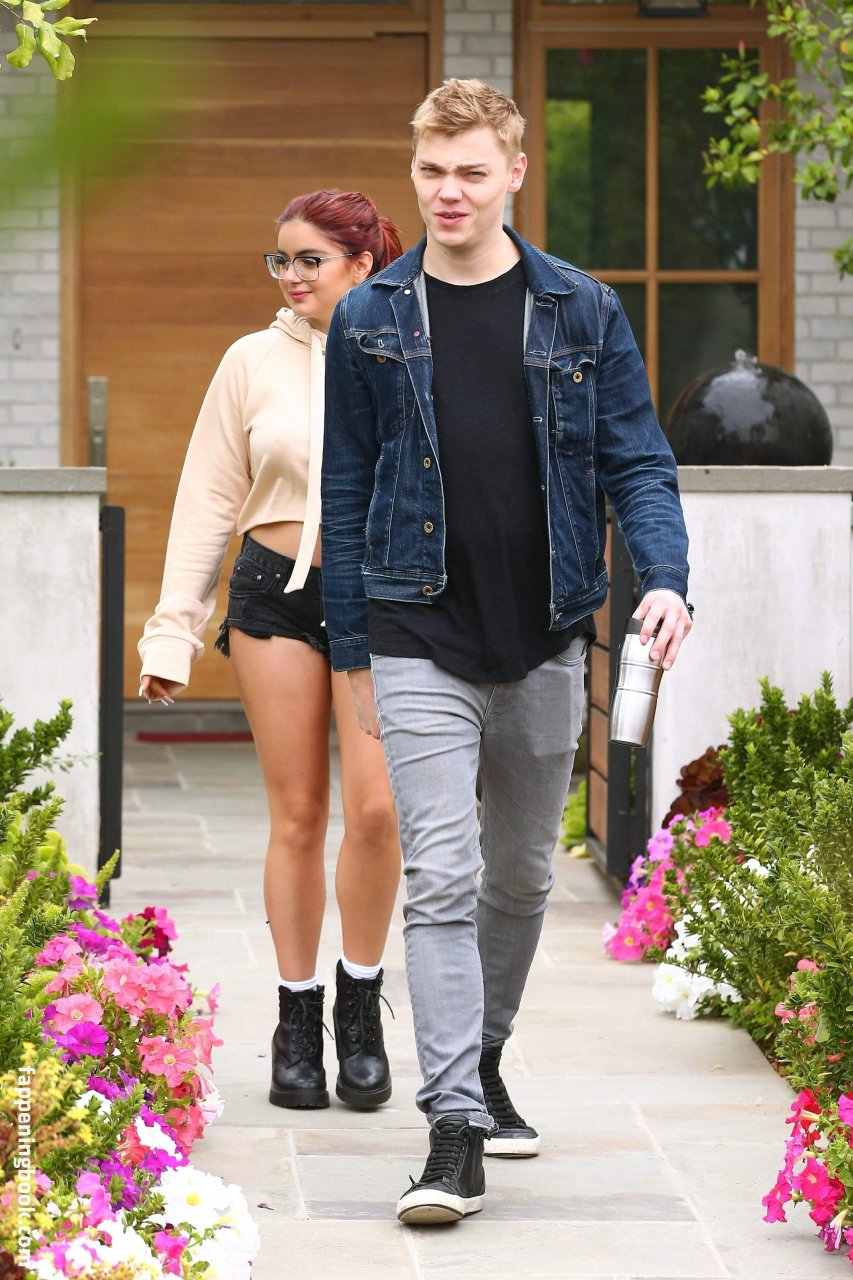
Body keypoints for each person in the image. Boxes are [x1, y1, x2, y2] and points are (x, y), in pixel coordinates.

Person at [320, 81, 692, 1223]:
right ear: (415, 170)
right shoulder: (370, 315)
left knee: (522, 875)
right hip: (415, 624)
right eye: (432, 171)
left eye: (472, 172)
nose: (449, 192)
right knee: (441, 873)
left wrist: (664, 575)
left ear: (515, 173)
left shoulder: (581, 309)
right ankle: (450, 1130)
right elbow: (346, 486)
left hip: (543, 633)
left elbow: (638, 461)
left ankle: (480, 1058)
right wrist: (352, 651)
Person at [138, 189, 404, 1114]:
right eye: (279, 259)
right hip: (273, 597)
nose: (290, 276)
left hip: (381, 603)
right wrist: (172, 629)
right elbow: (208, 498)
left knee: (377, 811)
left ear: (362, 264)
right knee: (297, 814)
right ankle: (297, 1020)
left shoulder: (407, 350)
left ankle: (359, 1010)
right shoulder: (249, 360)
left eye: (308, 260)